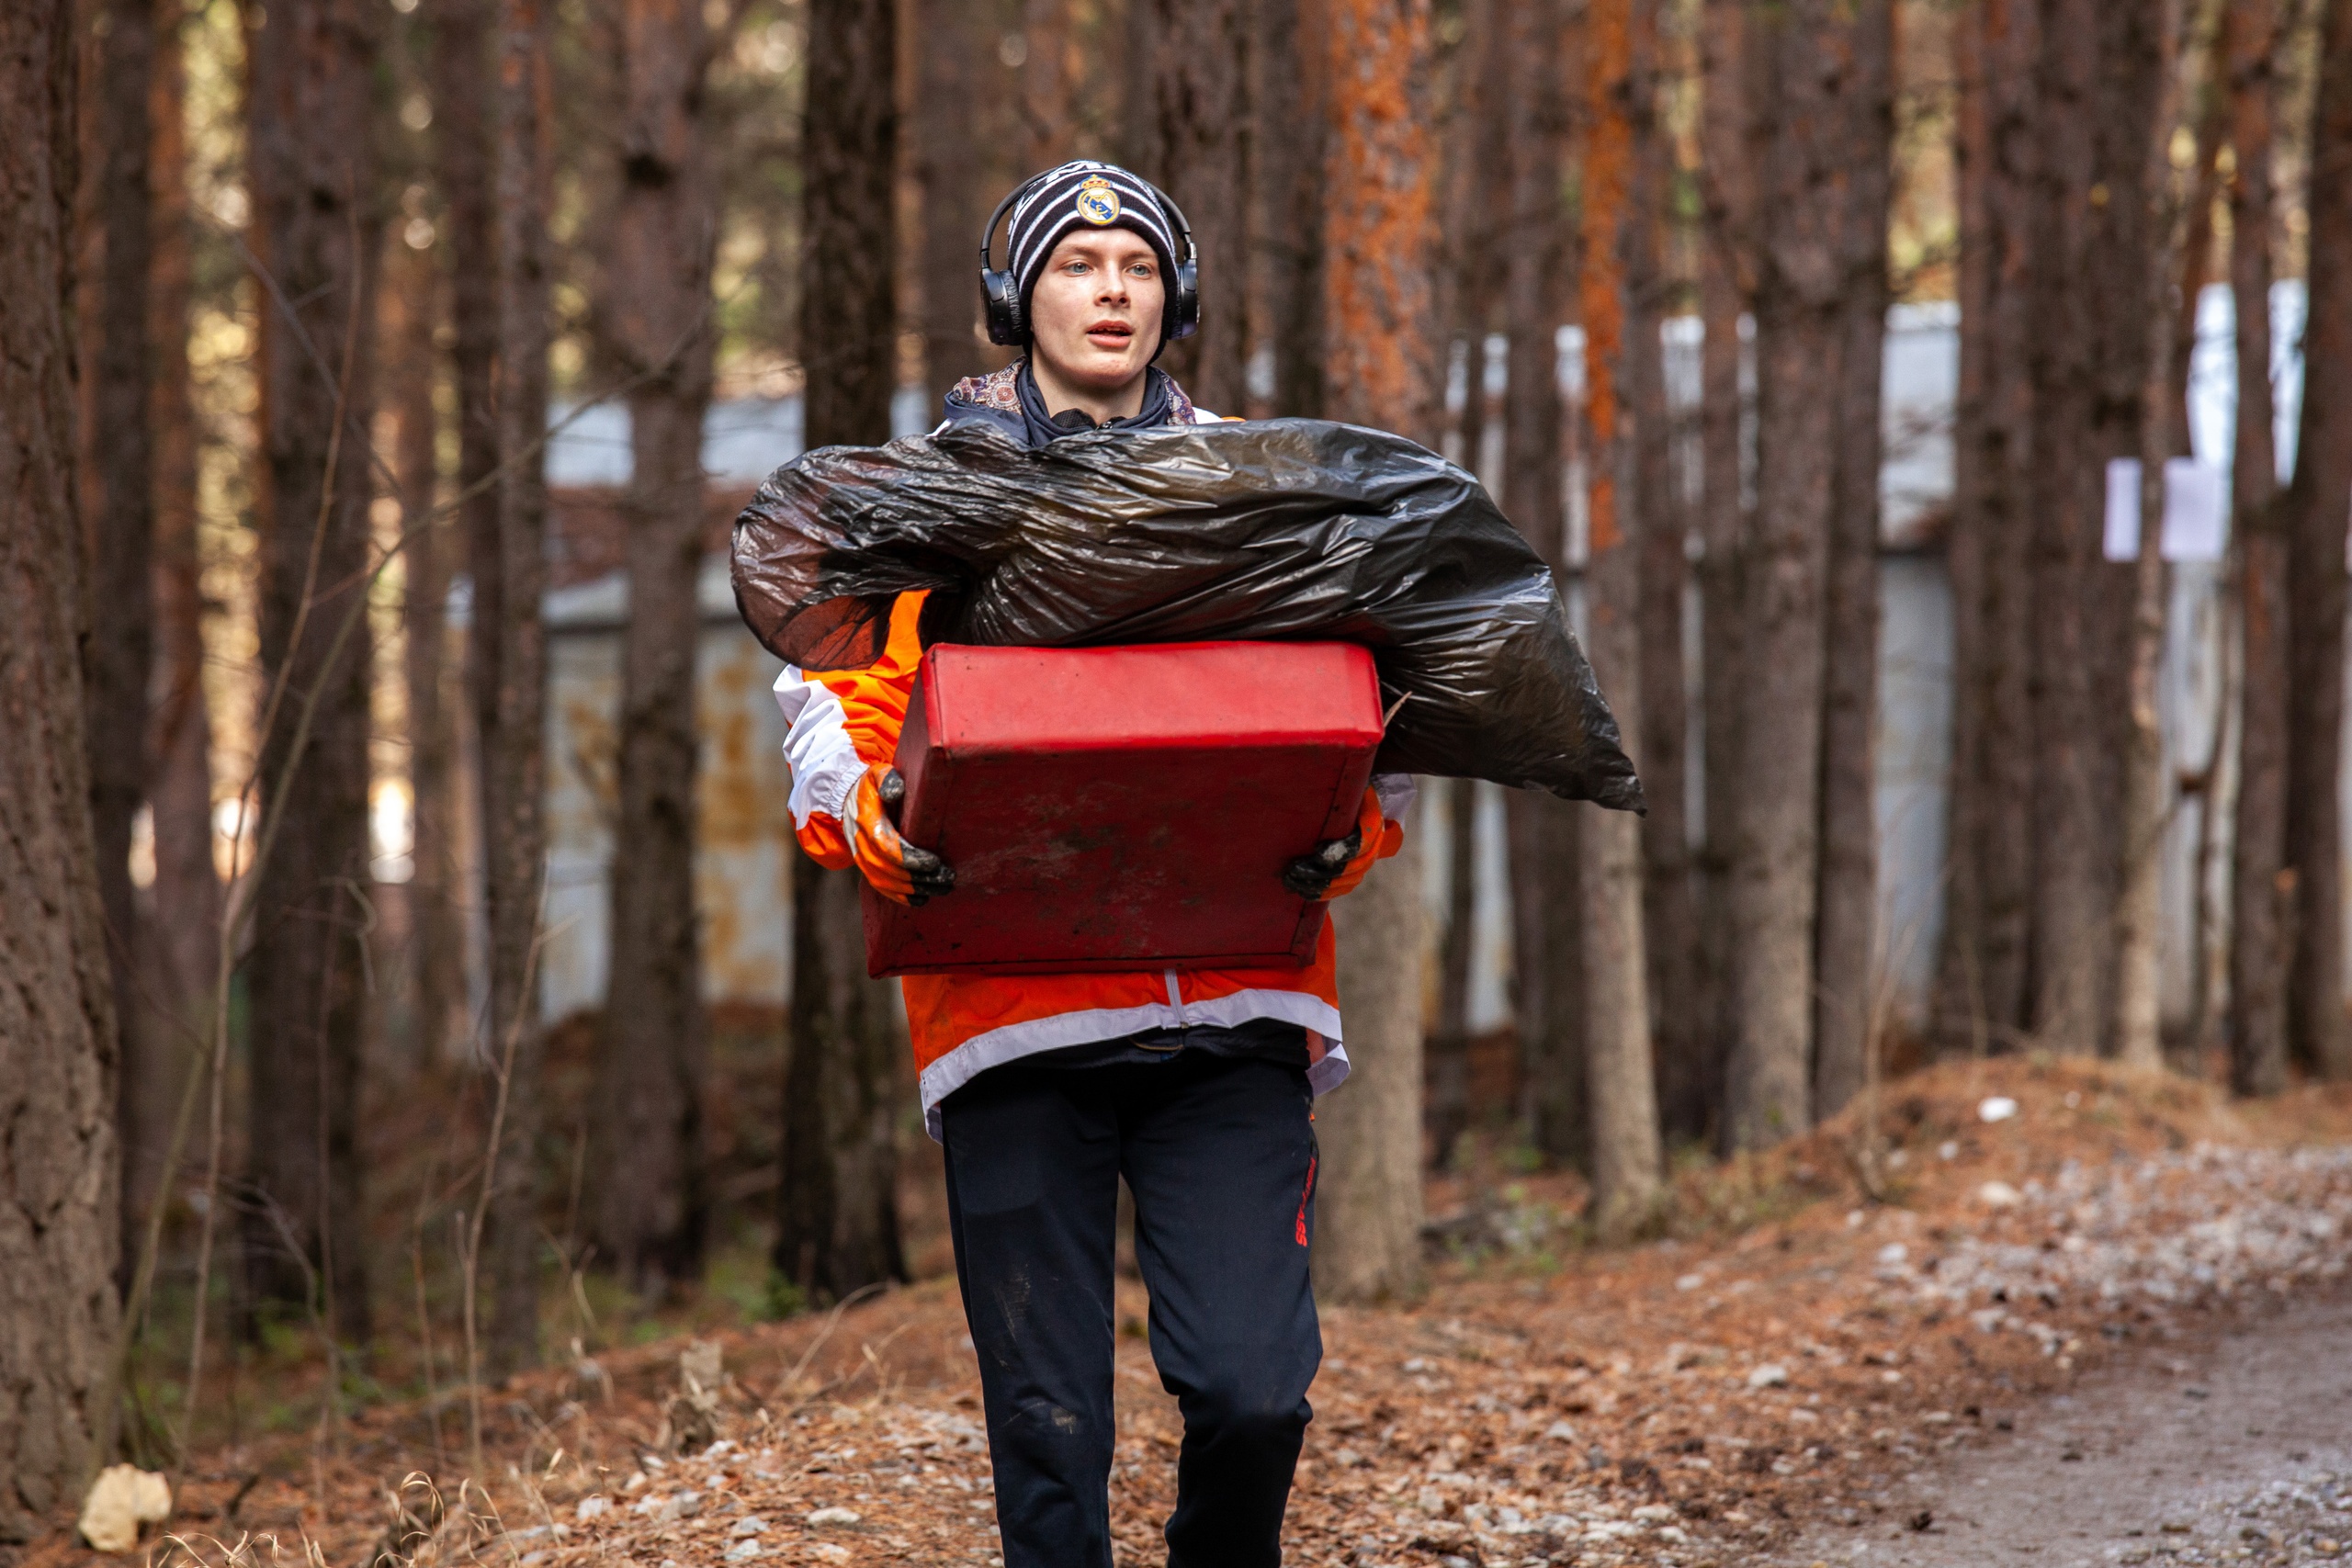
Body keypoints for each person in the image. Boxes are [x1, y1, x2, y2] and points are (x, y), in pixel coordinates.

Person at [771, 160, 1414, 1568]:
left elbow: (1359, 715)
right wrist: (868, 812)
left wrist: (1345, 831)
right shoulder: (934, 499)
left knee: (1253, 1395)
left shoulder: (1263, 489)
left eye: (1136, 263)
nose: (1111, 289)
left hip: (1234, 1010)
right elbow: (836, 709)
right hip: (1015, 1022)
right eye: (1077, 263)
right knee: (1051, 1430)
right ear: (1019, 294)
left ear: (1172, 292)